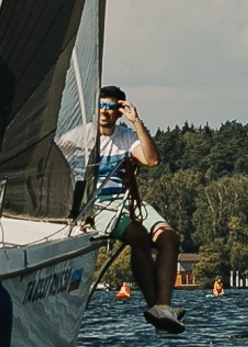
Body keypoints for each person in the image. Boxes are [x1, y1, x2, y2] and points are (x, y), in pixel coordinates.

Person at [59, 86, 185, 332]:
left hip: (127, 201)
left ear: (119, 111)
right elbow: (53, 159)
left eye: (110, 107)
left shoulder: (127, 137)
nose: (104, 112)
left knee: (170, 238)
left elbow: (151, 161)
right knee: (137, 235)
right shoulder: (80, 135)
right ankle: (154, 307)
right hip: (96, 205)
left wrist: (137, 122)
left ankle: (163, 306)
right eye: (101, 106)